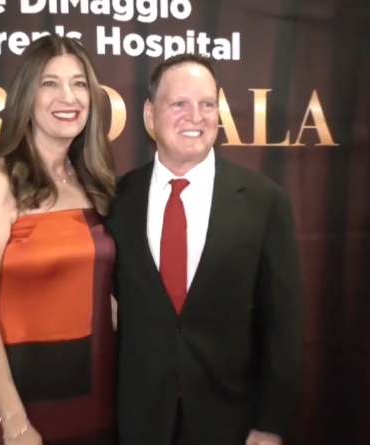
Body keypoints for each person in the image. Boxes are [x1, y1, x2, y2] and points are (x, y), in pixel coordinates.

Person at [105, 53, 305, 445]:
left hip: (232, 422)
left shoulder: (264, 201)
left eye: (207, 104)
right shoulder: (116, 199)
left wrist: (270, 425)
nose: (195, 116)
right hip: (141, 422)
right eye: (179, 103)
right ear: (149, 114)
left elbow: (284, 325)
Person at [0, 35, 117, 445]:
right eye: (50, 83)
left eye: (79, 84)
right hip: (20, 412)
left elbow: (106, 296)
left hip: (95, 405)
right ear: (27, 96)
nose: (68, 97)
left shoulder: (93, 183)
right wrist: (16, 424)